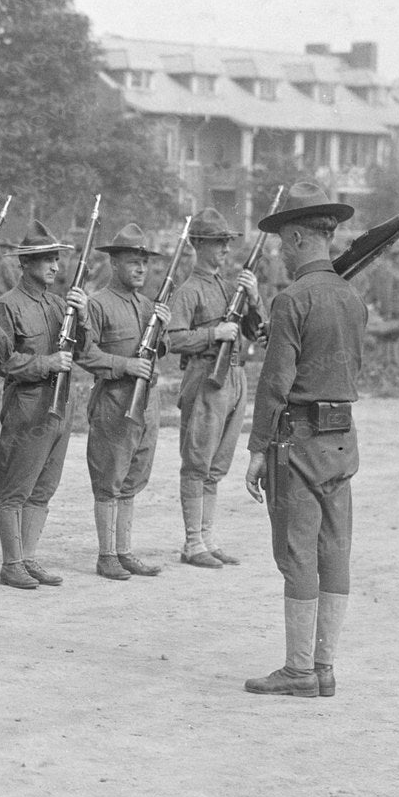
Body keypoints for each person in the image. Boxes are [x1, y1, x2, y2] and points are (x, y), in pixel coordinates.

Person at [242, 181, 367, 698]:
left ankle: (298, 672)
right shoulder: (351, 295)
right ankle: (325, 667)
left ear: (296, 238)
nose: (277, 251)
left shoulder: (293, 298)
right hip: (343, 440)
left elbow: (275, 383)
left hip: (297, 440)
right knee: (334, 552)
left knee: (297, 554)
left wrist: (255, 449)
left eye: (279, 242)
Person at [0, 221, 87, 590]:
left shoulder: (61, 305)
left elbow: (82, 352)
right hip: (27, 405)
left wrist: (83, 315)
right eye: (45, 259)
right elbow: (2, 363)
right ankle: (11, 563)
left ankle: (28, 558)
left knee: (43, 489)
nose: (54, 266)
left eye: (56, 259)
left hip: (60, 406)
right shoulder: (5, 306)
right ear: (25, 264)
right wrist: (46, 364)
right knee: (16, 490)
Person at [159, 209, 262, 570]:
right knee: (197, 462)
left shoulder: (228, 285)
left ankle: (207, 537)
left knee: (217, 465)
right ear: (197, 245)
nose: (224, 250)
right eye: (217, 243)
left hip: (234, 377)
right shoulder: (188, 291)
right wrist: (212, 334)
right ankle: (192, 542)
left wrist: (253, 297)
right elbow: (172, 339)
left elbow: (256, 332)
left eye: (227, 243)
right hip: (205, 378)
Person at [73, 222, 175, 582]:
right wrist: (124, 365)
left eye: (144, 263)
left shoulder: (147, 304)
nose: (140, 269)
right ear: (114, 263)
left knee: (134, 478)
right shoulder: (99, 304)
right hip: (115, 399)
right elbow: (85, 355)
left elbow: (159, 350)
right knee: (109, 478)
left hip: (146, 400)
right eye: (133, 262)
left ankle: (124, 551)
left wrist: (162, 327)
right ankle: (106, 555)